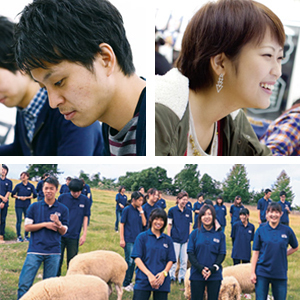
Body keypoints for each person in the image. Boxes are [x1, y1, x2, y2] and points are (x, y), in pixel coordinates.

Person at [14, 0, 146, 156]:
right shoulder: (112, 131)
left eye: (58, 82)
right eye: (44, 88)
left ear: (105, 59)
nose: (53, 103)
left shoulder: (155, 123)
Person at [155, 0, 284, 156]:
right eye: (267, 55)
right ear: (220, 63)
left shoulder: (235, 122)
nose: (278, 72)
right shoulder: (159, 115)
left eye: (280, 58)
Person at [0, 16, 103, 156]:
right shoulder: (25, 108)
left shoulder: (70, 110)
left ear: (18, 62)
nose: (54, 101)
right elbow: (20, 149)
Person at [17, 176, 69, 299]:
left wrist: (58, 224)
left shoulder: (63, 209)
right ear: (42, 189)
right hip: (35, 250)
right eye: (46, 188)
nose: (48, 191)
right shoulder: (34, 207)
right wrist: (46, 224)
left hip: (53, 252)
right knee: (24, 283)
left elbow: (64, 232)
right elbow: (27, 227)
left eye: (51, 188)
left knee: (49, 287)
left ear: (56, 189)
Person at [251, 202, 298, 300]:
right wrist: (252, 272)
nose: (274, 215)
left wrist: (283, 254)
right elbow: (255, 253)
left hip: (280, 273)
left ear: (281, 214)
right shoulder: (260, 230)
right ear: (267, 213)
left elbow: (295, 247)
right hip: (262, 272)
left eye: (277, 212)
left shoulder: (287, 230)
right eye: (271, 212)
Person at [131, 208, 176, 300]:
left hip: (161, 281)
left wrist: (164, 273)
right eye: (156, 219)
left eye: (162, 220)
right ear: (151, 219)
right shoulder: (142, 237)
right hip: (143, 279)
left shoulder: (168, 240)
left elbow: (171, 259)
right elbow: (137, 258)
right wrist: (149, 275)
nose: (158, 222)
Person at [187, 204, 226, 300]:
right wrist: (200, 269)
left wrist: (213, 268)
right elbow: (190, 253)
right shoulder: (194, 233)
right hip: (197, 273)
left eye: (209, 214)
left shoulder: (220, 234)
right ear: (200, 217)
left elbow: (222, 253)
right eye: (203, 214)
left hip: (214, 275)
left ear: (213, 216)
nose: (207, 217)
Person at [57, 179, 91, 276]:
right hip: (60, 234)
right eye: (73, 192)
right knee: (57, 260)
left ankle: (70, 282)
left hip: (74, 235)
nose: (76, 194)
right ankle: (56, 281)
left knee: (72, 262)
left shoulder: (85, 200)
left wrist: (84, 234)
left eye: (78, 192)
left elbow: (85, 217)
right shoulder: (62, 198)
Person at [120, 191, 146, 291]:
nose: (141, 202)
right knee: (129, 261)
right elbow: (122, 224)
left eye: (142, 200)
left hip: (138, 239)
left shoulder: (140, 210)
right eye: (139, 200)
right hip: (129, 239)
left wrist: (142, 212)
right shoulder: (127, 210)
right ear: (133, 200)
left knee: (137, 261)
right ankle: (126, 283)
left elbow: (144, 224)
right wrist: (122, 239)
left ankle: (131, 281)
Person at [167, 191, 193, 284]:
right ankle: (171, 277)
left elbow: (190, 225)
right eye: (183, 199)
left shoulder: (189, 212)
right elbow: (169, 225)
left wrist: (190, 238)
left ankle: (182, 277)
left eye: (186, 200)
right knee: (173, 260)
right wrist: (168, 237)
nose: (184, 201)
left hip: (185, 240)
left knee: (184, 261)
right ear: (178, 200)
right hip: (175, 239)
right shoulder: (172, 211)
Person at [12, 171, 37, 242]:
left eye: (24, 176)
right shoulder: (18, 186)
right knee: (19, 220)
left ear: (27, 177)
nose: (22, 177)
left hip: (27, 206)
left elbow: (35, 195)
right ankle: (18, 236)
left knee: (27, 221)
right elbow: (12, 194)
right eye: (21, 176)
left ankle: (26, 236)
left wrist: (27, 197)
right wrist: (19, 197)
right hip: (19, 205)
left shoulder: (31, 186)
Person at [0, 164, 12, 243]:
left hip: (5, 203)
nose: (3, 171)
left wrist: (4, 201)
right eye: (2, 169)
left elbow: (8, 191)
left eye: (5, 169)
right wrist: (1, 197)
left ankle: (1, 237)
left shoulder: (9, 182)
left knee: (3, 220)